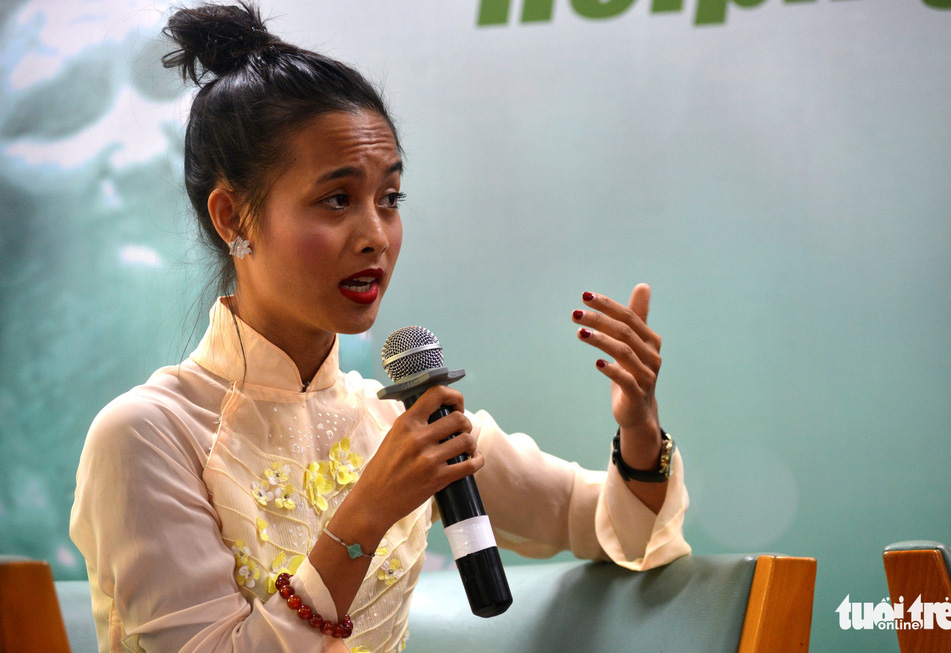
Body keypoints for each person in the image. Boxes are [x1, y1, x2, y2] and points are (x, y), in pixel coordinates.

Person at [69, 3, 691, 652]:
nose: (375, 235)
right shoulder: (149, 434)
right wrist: (366, 512)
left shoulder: (394, 422)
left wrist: (639, 427)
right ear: (233, 218)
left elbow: (608, 526)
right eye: (337, 199)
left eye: (388, 199)